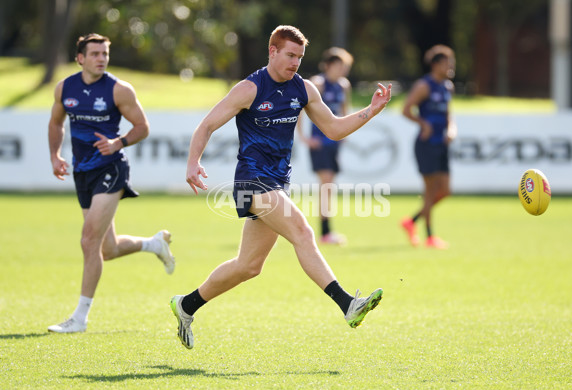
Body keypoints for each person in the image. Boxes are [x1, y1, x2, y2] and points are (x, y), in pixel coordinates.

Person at [170, 25, 391, 349]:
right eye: (289, 55)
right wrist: (193, 162)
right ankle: (347, 304)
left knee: (248, 266)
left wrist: (370, 111)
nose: (295, 63)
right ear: (272, 51)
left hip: (276, 183)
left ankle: (185, 306)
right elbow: (207, 125)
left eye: (300, 57)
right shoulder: (249, 88)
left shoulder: (303, 89)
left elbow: (332, 128)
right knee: (302, 231)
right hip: (250, 179)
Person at [47, 33, 175, 333]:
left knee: (88, 241)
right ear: (80, 58)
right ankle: (153, 244)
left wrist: (119, 142)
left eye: (104, 53)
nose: (101, 58)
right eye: (94, 54)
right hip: (82, 172)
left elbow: (142, 126)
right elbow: (55, 122)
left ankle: (79, 318)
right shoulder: (65, 88)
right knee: (107, 249)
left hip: (111, 168)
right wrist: (54, 155)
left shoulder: (119, 90)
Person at [400, 44, 457, 249]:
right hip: (426, 145)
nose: (451, 66)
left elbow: (448, 114)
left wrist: (451, 130)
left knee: (445, 191)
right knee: (430, 191)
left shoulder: (447, 87)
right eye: (446, 63)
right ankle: (430, 236)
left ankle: (412, 221)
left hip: (442, 145)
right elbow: (405, 109)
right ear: (435, 65)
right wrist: (423, 124)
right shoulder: (424, 85)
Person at [296, 47, 354, 245]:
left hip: (334, 143)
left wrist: (345, 132)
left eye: (345, 67)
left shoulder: (344, 86)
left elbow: (345, 111)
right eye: (339, 66)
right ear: (328, 65)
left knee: (328, 186)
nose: (343, 71)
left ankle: (325, 231)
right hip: (320, 143)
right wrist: (303, 137)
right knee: (327, 184)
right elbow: (300, 110)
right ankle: (325, 232)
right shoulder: (317, 84)